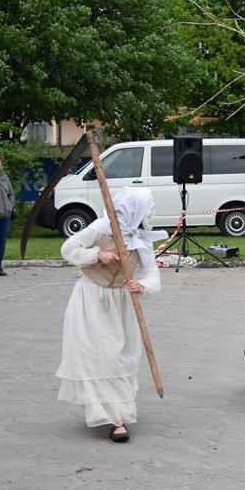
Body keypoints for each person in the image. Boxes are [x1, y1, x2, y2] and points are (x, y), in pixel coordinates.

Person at [56, 188, 167, 443]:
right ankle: (116, 419)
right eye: (148, 208)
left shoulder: (141, 238)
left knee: (120, 357)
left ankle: (116, 408)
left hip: (122, 302)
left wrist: (142, 285)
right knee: (99, 356)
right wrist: (97, 255)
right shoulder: (100, 228)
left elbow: (153, 275)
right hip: (91, 298)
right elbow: (68, 249)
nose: (151, 213)